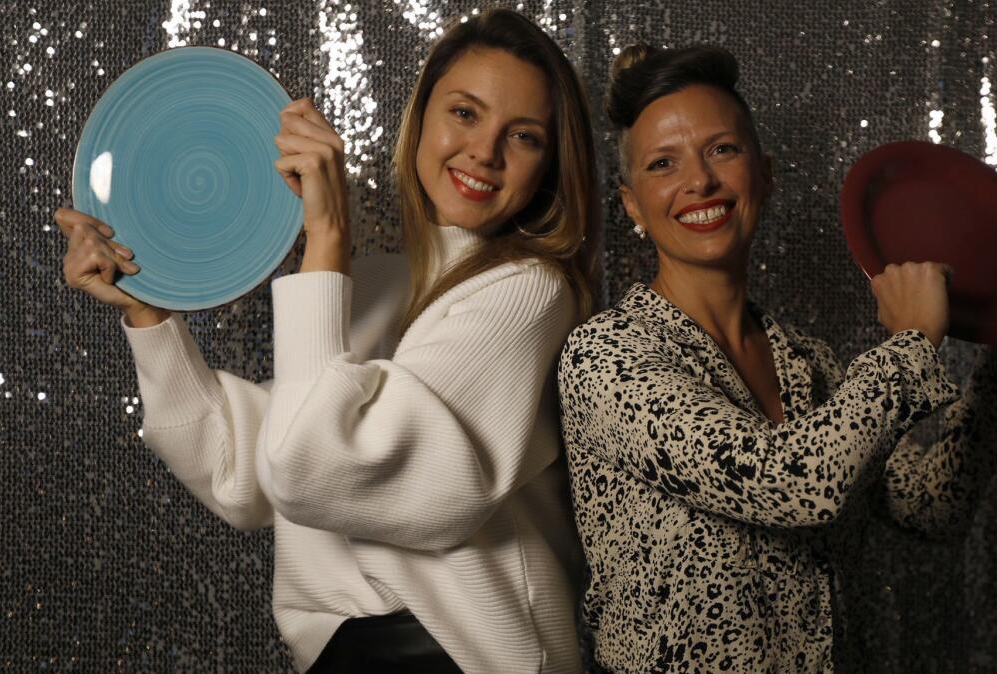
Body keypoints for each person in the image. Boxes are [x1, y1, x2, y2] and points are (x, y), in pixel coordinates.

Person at [55, 9, 598, 673]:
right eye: (464, 113)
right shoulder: (371, 282)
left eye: (525, 137)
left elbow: (316, 469)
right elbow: (242, 473)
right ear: (421, 117)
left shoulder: (529, 292)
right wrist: (149, 312)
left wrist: (328, 240)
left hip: (456, 656)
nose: (485, 151)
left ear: (549, 167)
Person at [557, 44, 997, 673]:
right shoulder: (608, 356)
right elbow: (791, 482)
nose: (699, 181)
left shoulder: (809, 360)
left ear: (766, 174)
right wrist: (909, 344)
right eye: (663, 163)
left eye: (722, 149)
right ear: (633, 206)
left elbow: (931, 504)